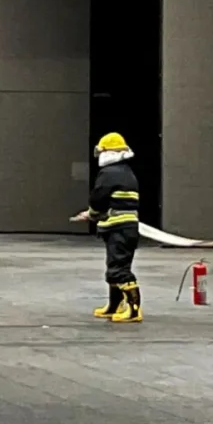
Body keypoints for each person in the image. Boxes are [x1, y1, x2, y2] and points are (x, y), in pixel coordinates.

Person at [72, 132, 142, 323]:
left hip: (118, 228)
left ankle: (134, 310)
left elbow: (98, 197)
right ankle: (114, 305)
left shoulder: (109, 173)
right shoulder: (126, 172)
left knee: (119, 268)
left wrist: (92, 213)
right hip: (125, 227)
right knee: (114, 266)